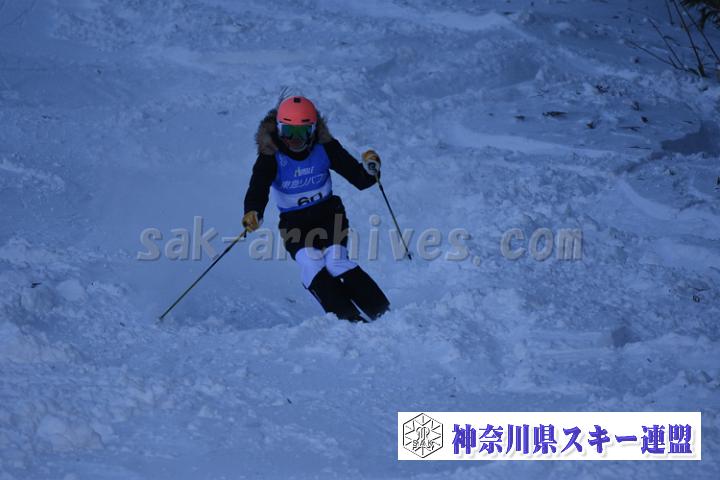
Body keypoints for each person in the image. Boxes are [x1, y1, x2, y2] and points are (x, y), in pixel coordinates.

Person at [242, 95, 390, 322]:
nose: (295, 140)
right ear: (279, 129)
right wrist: (253, 211)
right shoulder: (271, 156)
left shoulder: (324, 147)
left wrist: (372, 169)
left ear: (313, 130)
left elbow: (359, 179)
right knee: (311, 263)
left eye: (302, 132)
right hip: (294, 222)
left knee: (336, 262)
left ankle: (383, 313)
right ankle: (349, 318)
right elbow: (258, 187)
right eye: (288, 132)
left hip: (329, 215)